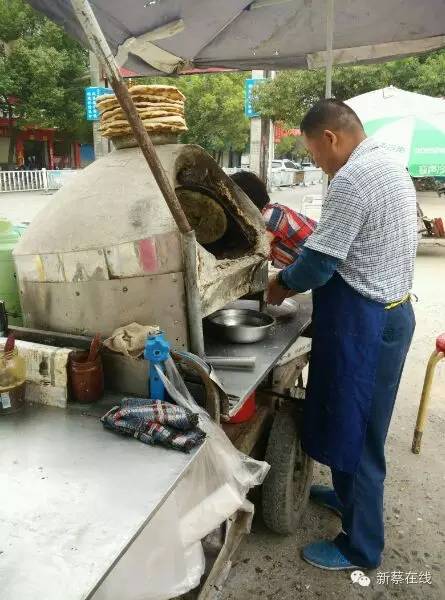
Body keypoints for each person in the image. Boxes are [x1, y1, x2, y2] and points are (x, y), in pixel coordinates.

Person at [267, 99, 417, 571]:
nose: (317, 164)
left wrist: (280, 284)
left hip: (367, 325)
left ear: (330, 137)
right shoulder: (387, 159)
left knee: (361, 432)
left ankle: (361, 546)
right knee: (355, 422)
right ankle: (344, 494)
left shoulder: (352, 178)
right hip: (388, 313)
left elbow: (321, 260)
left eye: (314, 154)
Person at [230, 170, 317, 268]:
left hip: (323, 268)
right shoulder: (263, 217)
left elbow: (259, 247)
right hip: (308, 269)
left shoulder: (272, 214)